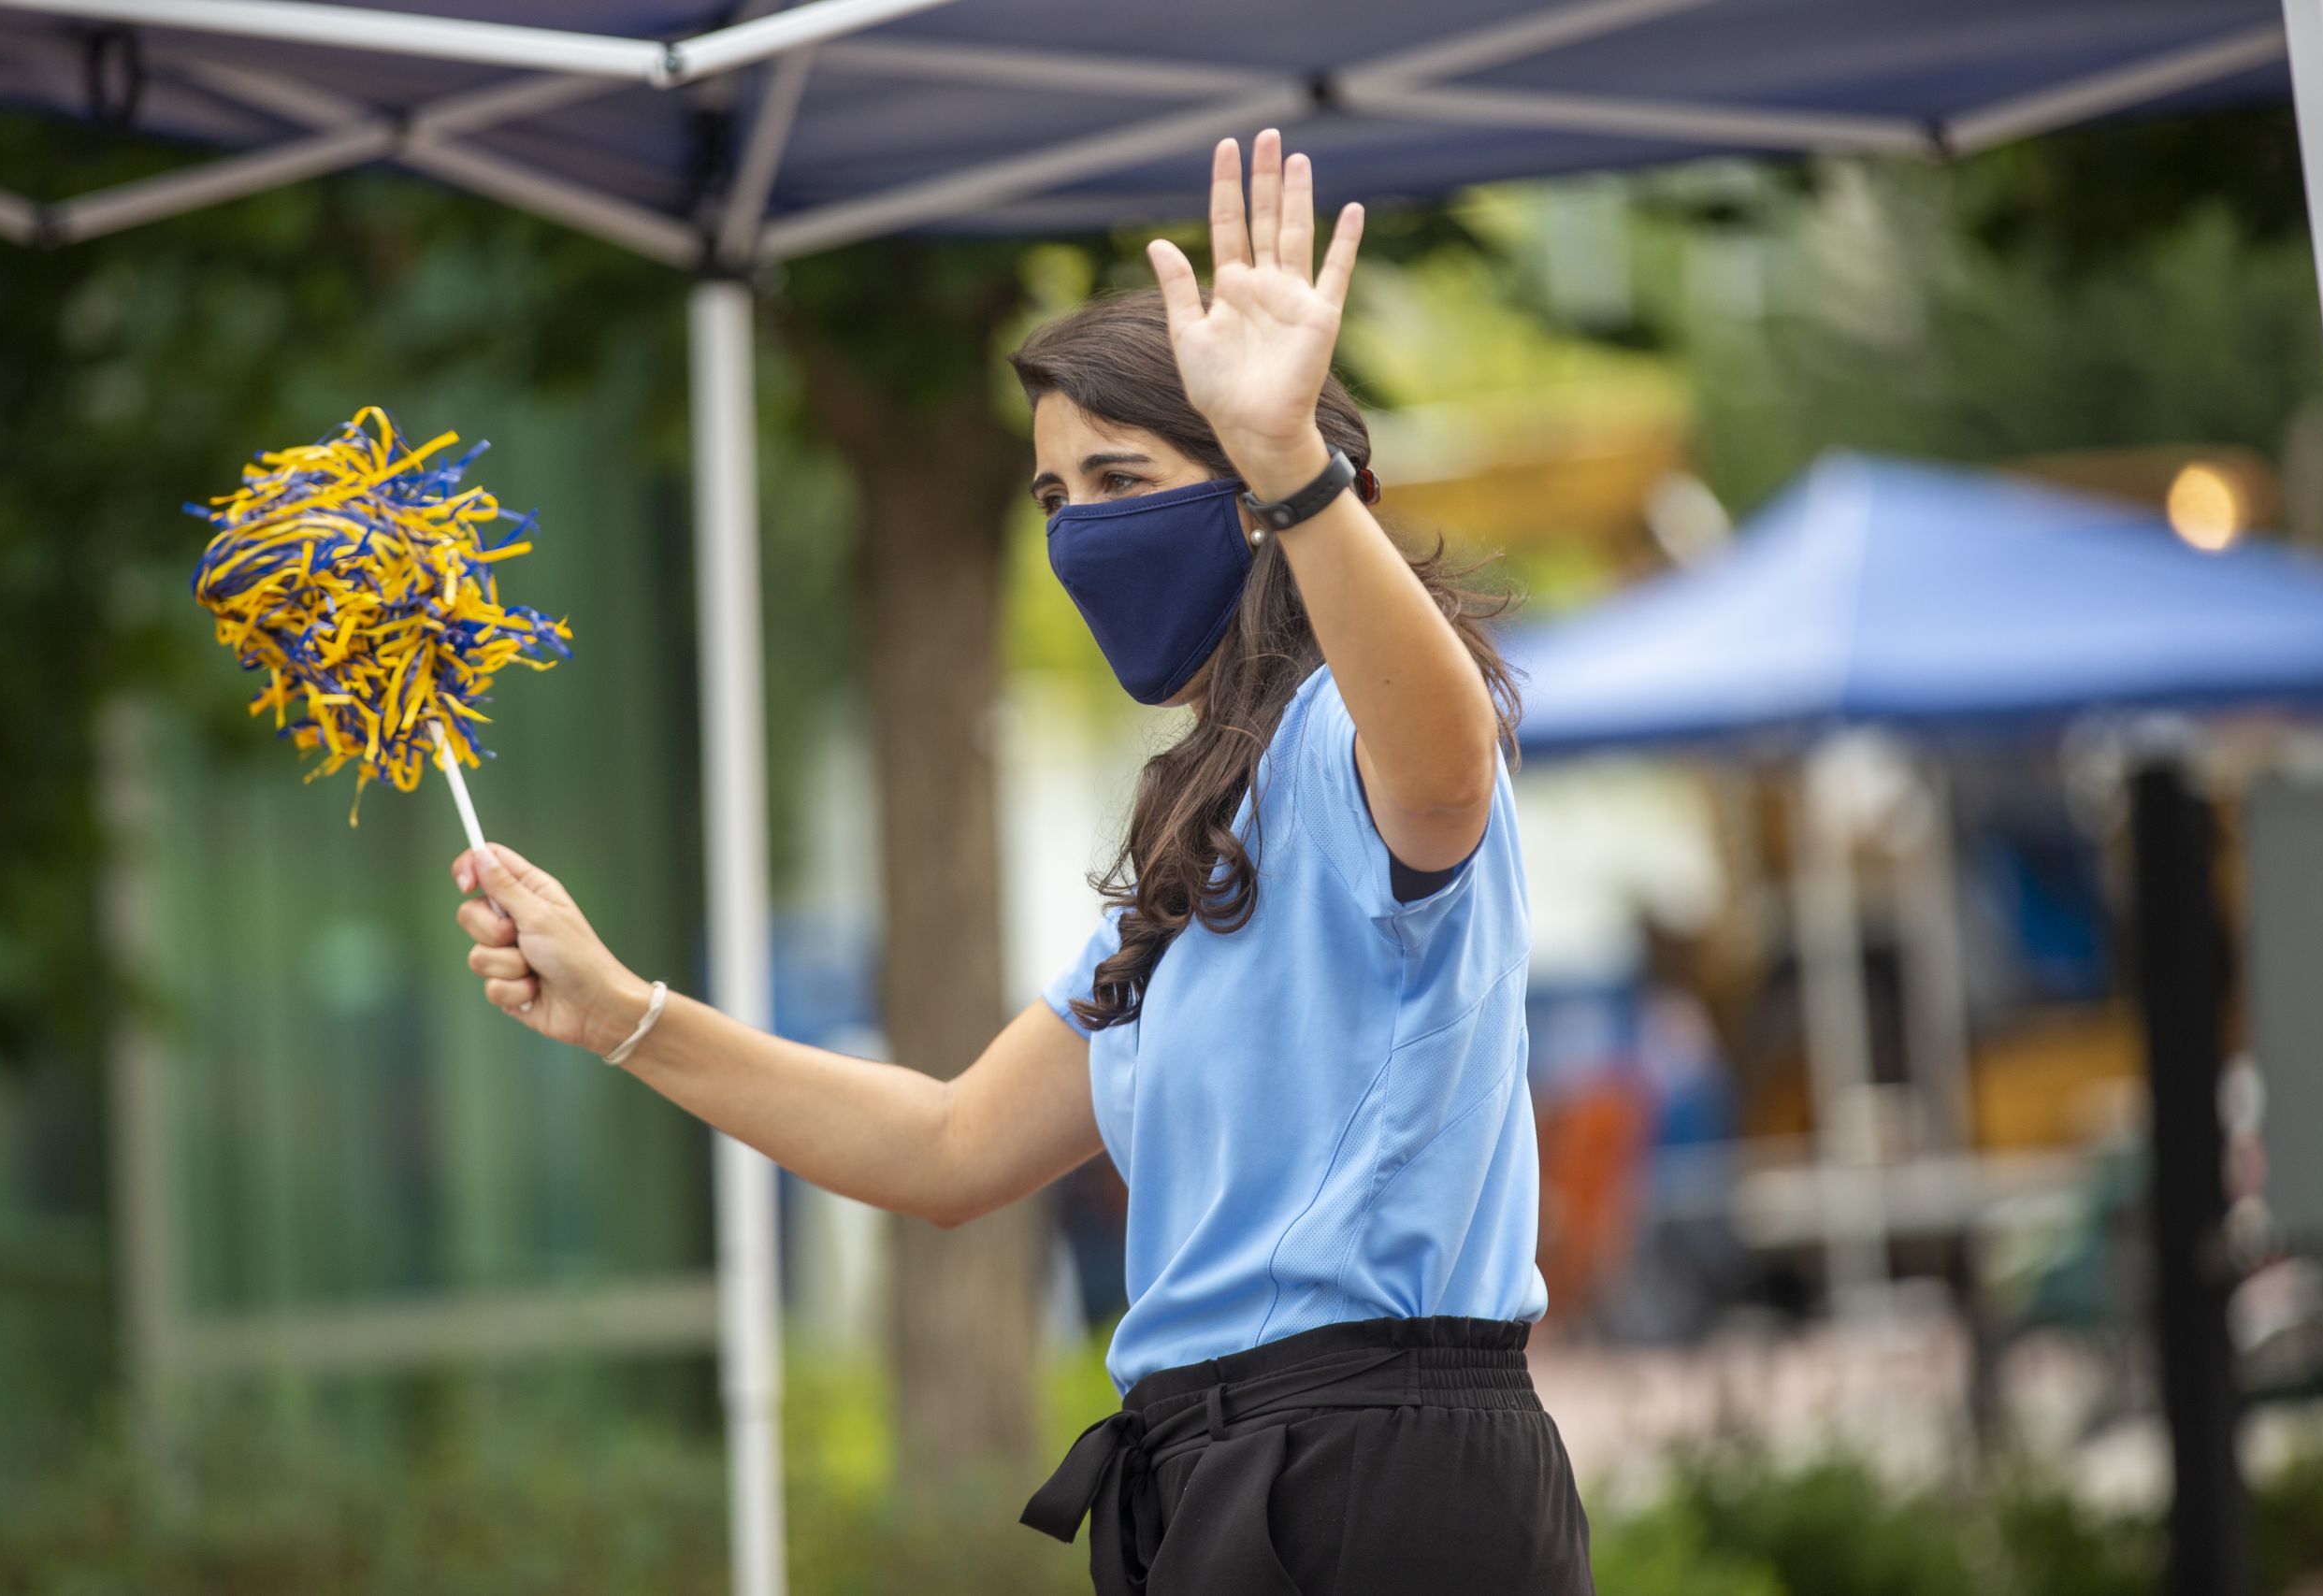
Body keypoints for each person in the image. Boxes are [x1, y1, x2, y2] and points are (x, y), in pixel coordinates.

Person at [450, 130, 1592, 1596]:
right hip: (1204, 1469)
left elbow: (1441, 766)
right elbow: (945, 1149)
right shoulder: (1200, 837)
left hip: (1378, 1464)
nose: (1081, 534)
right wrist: (622, 1013)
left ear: (1253, 491)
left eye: (1123, 478)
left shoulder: (1342, 738)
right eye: (1056, 500)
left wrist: (1292, 459)